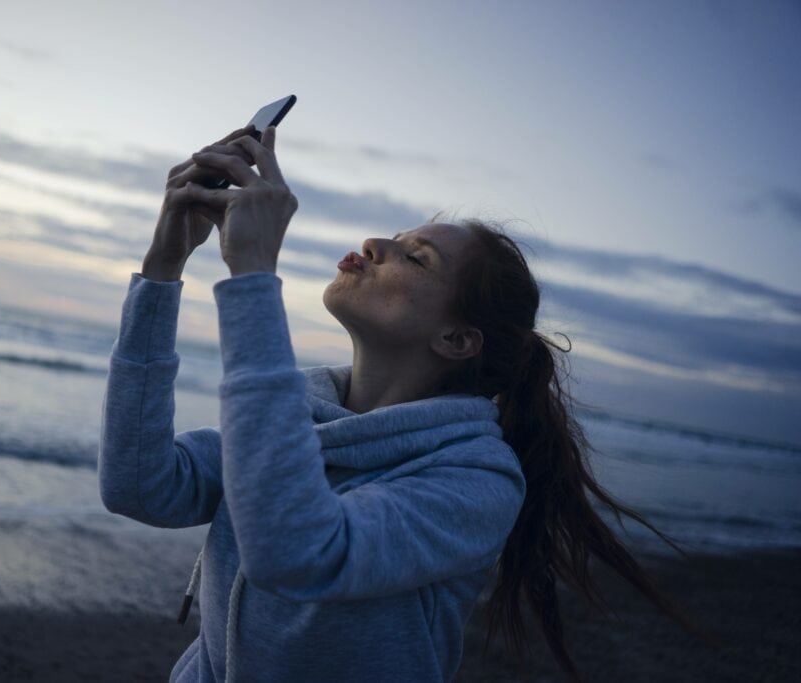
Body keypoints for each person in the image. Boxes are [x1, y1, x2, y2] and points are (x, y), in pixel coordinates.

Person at [98, 125, 711, 682]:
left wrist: (253, 273)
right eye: (395, 238)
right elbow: (139, 485)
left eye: (417, 257)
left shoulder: (476, 480)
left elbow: (299, 553)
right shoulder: (301, 416)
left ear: (456, 339)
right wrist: (164, 266)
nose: (374, 244)